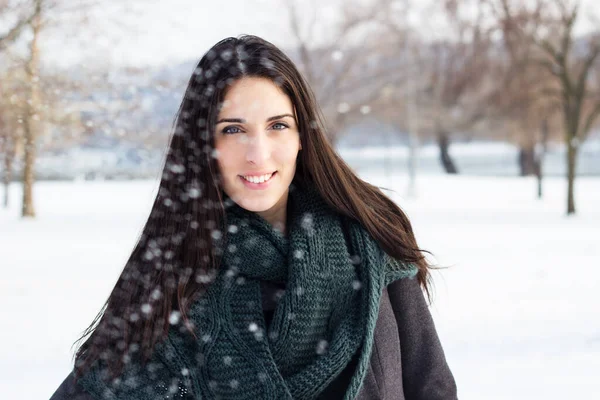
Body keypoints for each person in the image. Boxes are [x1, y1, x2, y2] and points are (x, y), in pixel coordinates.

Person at [50, 35, 457, 400]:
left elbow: (432, 386)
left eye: (278, 125)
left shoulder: (369, 237)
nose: (257, 153)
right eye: (232, 130)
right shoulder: (175, 269)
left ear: (302, 138)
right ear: (202, 143)